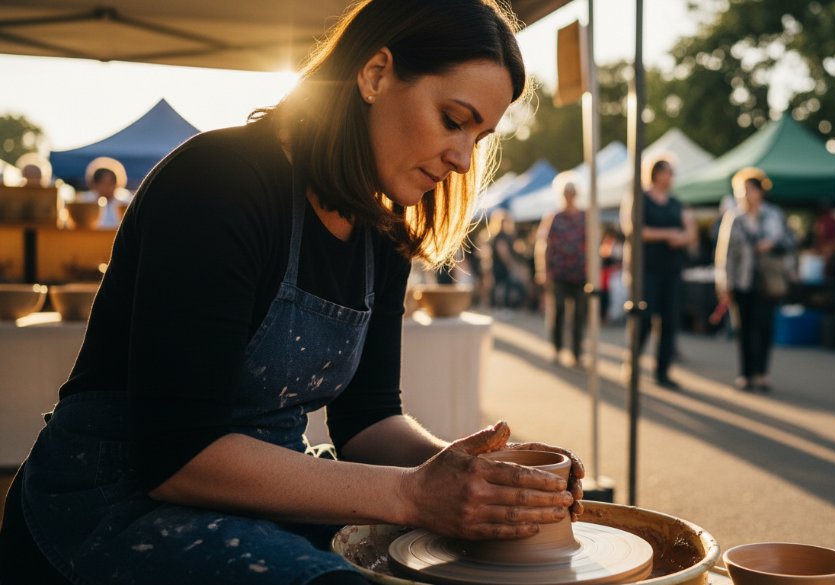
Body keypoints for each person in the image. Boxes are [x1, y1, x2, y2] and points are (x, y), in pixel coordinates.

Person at [0, 2, 585, 584]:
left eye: (479, 137)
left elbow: (368, 422)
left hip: (264, 493)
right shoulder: (218, 182)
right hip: (112, 499)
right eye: (453, 119)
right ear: (376, 74)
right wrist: (413, 494)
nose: (463, 160)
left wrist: (483, 476)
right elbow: (176, 454)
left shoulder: (382, 233)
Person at [715, 167, 792, 392]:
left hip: (767, 281)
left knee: (765, 327)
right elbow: (725, 254)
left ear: (760, 191)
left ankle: (762, 373)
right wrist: (725, 284)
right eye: (741, 190)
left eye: (749, 190)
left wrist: (771, 245)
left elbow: (789, 242)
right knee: (744, 329)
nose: (745, 195)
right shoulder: (735, 218)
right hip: (742, 281)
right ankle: (745, 373)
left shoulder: (773, 215)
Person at [622, 159, 696, 390]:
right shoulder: (640, 198)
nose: (671, 177)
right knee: (643, 320)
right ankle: (632, 366)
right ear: (657, 174)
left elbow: (690, 232)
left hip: (671, 270)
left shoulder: (676, 203)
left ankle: (662, 372)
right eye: (668, 172)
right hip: (647, 270)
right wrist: (667, 234)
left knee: (669, 322)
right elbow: (634, 229)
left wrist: (681, 238)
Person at [535, 173, 587, 366]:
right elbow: (544, 245)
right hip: (559, 273)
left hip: (580, 273)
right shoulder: (554, 217)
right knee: (558, 312)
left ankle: (577, 352)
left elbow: (591, 244)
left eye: (572, 192)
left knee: (579, 315)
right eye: (567, 192)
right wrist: (543, 270)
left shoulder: (584, 216)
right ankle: (557, 348)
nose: (570, 195)